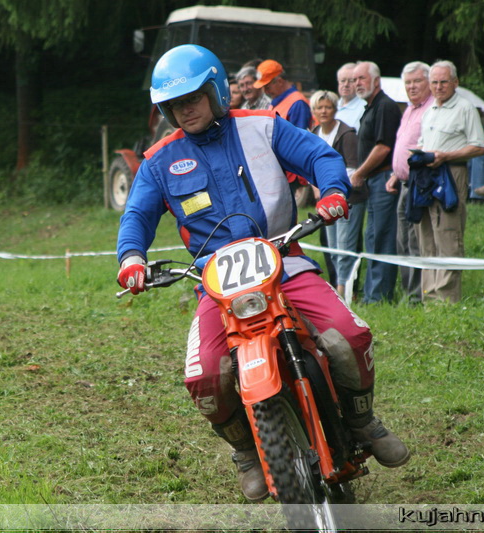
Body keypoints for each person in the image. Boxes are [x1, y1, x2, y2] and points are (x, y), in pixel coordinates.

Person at [116, 44, 410, 502]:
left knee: (348, 335)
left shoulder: (263, 125)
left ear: (215, 91)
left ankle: (361, 420)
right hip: (217, 283)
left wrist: (333, 191)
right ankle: (246, 452)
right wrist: (131, 257)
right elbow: (136, 214)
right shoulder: (158, 161)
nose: (185, 109)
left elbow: (319, 156)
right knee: (205, 376)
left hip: (283, 258)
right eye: (174, 104)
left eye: (193, 97)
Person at [416, 60, 484, 303]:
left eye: (444, 82)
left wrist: (446, 156)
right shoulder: (429, 110)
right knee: (427, 236)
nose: (438, 87)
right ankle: (430, 297)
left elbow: (479, 146)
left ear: (455, 82)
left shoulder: (465, 108)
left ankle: (446, 300)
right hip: (427, 176)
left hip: (452, 174)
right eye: (434, 82)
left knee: (448, 234)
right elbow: (424, 143)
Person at [349, 61, 402, 304]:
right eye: (354, 80)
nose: (357, 83)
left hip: (384, 179)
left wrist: (359, 173)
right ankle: (371, 295)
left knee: (382, 236)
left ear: (376, 80)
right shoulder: (370, 107)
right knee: (372, 236)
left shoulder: (385, 106)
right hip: (373, 181)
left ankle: (379, 296)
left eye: (361, 78)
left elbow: (383, 147)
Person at [385, 62, 434, 304]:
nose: (412, 87)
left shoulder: (431, 108)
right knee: (402, 241)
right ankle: (409, 294)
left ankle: (417, 296)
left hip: (420, 184)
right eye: (408, 82)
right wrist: (396, 172)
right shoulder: (409, 109)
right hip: (403, 183)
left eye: (417, 81)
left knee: (415, 241)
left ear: (429, 82)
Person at [309, 90, 362, 296]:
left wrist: (333, 188)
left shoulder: (347, 134)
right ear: (314, 111)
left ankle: (344, 291)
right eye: (319, 108)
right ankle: (338, 289)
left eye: (328, 107)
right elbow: (309, 166)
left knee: (344, 246)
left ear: (335, 109)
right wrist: (317, 189)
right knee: (332, 247)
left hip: (348, 198)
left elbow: (352, 168)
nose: (324, 111)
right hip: (325, 199)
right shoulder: (314, 133)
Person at [253, 59, 312, 129]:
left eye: (267, 87)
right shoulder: (277, 101)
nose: (266, 92)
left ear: (280, 81)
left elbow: (299, 134)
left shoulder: (298, 103)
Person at [336, 62, 366, 131]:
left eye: (351, 81)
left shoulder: (364, 108)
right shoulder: (333, 106)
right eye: (343, 81)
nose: (346, 84)